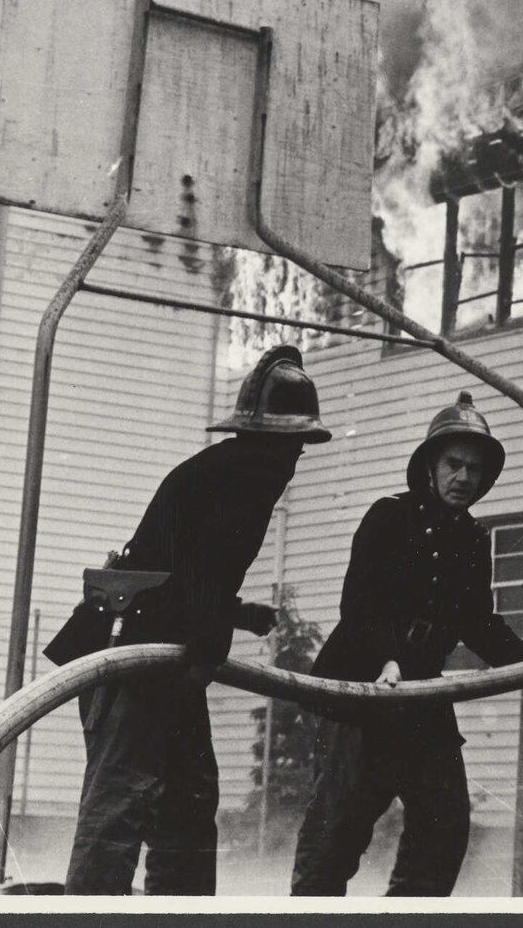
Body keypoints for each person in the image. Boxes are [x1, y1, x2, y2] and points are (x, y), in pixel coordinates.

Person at [59, 345, 332, 896]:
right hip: (133, 650)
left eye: (298, 446)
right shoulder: (232, 478)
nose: (291, 460)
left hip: (166, 646)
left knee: (189, 799)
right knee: (123, 799)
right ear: (257, 439)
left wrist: (238, 613)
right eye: (285, 445)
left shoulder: (233, 475)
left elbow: (188, 572)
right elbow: (189, 580)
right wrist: (216, 630)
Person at [291, 391, 523, 896]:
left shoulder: (471, 538)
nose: (464, 478)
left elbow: (479, 623)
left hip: (422, 695)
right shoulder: (387, 517)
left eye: (475, 470)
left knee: (445, 825)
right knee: (335, 836)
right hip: (363, 691)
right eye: (454, 465)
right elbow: (358, 607)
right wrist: (390, 659)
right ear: (429, 466)